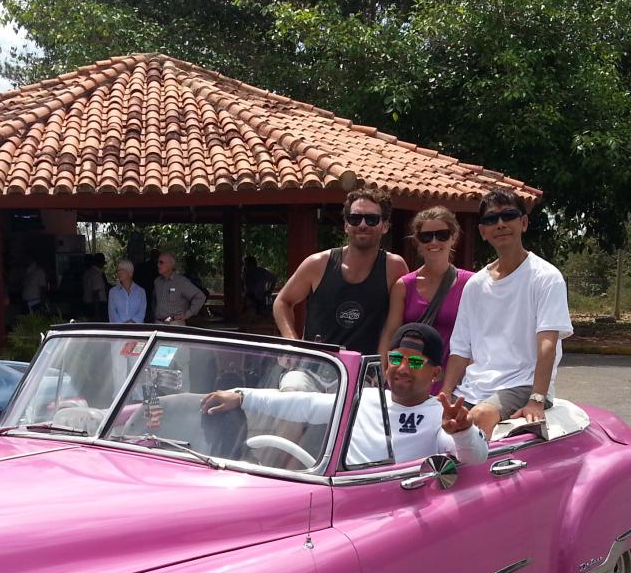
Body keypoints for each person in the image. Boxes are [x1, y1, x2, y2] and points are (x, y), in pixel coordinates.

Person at [202, 323, 487, 466]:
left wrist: (463, 430)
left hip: (397, 507)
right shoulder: (365, 399)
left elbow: (474, 457)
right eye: (396, 358)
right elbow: (304, 404)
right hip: (341, 496)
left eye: (414, 362)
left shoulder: (441, 414)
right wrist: (241, 395)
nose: (401, 368)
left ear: (435, 373)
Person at [441, 188, 574, 441]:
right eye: (491, 219)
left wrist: (536, 399)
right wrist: (446, 395)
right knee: (430, 421)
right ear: (482, 231)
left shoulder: (546, 277)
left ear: (523, 223)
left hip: (521, 385)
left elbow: (547, 343)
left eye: (508, 216)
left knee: (479, 417)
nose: (500, 224)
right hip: (475, 386)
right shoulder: (475, 285)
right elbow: (460, 348)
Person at [273, 188, 409, 358]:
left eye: (372, 219)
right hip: (316, 366)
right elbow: (283, 302)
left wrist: (381, 367)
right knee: (293, 386)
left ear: (385, 226)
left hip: (366, 372)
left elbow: (397, 324)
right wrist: (292, 343)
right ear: (346, 225)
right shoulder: (317, 264)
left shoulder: (394, 267)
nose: (363, 225)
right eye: (355, 218)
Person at [383, 207, 472, 394]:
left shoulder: (470, 283)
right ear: (418, 241)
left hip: (452, 386)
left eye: (442, 235)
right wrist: (383, 374)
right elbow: (391, 334)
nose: (434, 242)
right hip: (409, 382)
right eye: (426, 236)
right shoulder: (404, 285)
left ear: (453, 237)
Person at [153, 252, 206, 324]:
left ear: (170, 265)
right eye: (158, 262)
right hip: (158, 323)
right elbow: (154, 302)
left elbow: (200, 297)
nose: (158, 265)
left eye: (161, 262)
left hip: (175, 324)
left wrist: (188, 314)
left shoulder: (181, 282)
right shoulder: (157, 282)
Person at [82, 252, 110, 320]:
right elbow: (96, 294)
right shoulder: (96, 275)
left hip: (89, 305)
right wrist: (97, 315)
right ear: (101, 263)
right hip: (97, 306)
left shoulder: (88, 273)